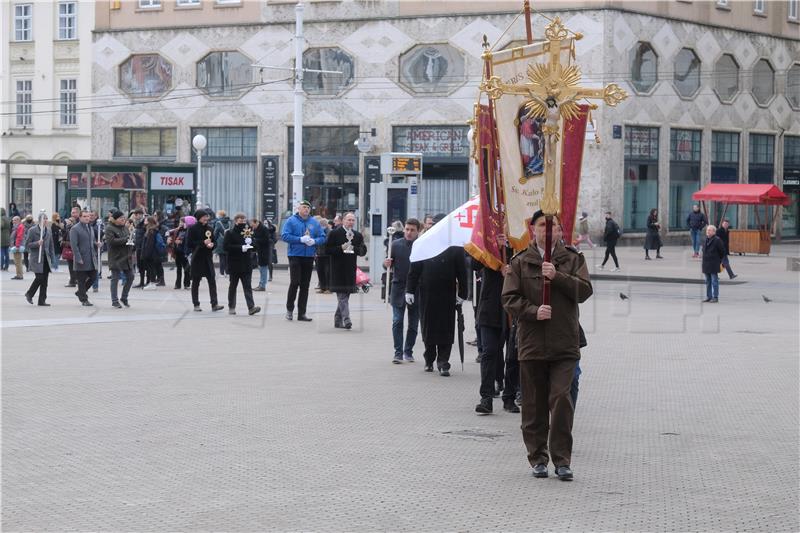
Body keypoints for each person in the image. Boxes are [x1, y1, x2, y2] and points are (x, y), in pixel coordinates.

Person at [501, 210, 593, 481]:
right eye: (543, 225)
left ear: (562, 231)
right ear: (533, 229)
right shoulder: (521, 261)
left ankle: (562, 459)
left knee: (562, 399)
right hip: (532, 344)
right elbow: (509, 298)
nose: (548, 231)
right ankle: (538, 457)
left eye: (554, 226)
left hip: (565, 343)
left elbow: (585, 291)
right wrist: (531, 311)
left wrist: (559, 277)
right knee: (534, 404)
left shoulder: (573, 259)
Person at [405, 214, 468, 376]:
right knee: (429, 327)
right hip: (427, 293)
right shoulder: (424, 243)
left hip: (447, 294)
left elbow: (462, 272)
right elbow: (414, 270)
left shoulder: (455, 246)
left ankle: (443, 361)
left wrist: (462, 294)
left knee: (446, 329)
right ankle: (429, 358)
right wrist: (409, 290)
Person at [475, 234, 518, 414]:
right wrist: (494, 248)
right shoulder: (488, 246)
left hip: (513, 310)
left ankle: (509, 396)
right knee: (489, 352)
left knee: (513, 357)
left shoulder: (519, 247)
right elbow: (473, 264)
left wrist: (512, 269)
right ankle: (486, 397)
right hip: (490, 309)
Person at [281, 200, 326, 322]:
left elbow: (322, 237)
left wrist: (314, 241)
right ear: (298, 209)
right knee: (295, 282)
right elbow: (284, 235)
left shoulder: (314, 222)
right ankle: (289, 310)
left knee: (305, 285)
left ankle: (302, 313)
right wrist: (300, 239)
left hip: (309, 256)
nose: (306, 209)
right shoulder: (291, 221)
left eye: (308, 207)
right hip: (295, 254)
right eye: (304, 207)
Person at [384, 218, 421, 363]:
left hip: (416, 289)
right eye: (407, 229)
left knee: (413, 324)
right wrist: (385, 263)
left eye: (412, 230)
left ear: (418, 231)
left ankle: (408, 351)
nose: (409, 232)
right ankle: (398, 352)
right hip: (398, 287)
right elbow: (387, 264)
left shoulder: (421, 245)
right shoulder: (395, 244)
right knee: (397, 320)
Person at [326, 212, 367, 329]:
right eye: (349, 220)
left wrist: (354, 248)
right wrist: (340, 248)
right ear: (343, 220)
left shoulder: (357, 235)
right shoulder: (334, 233)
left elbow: (363, 251)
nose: (351, 222)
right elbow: (327, 250)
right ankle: (346, 318)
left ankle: (337, 319)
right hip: (337, 269)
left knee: (346, 295)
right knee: (342, 295)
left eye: (353, 220)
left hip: (350, 269)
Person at [223, 212, 261, 316]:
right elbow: (226, 247)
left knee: (247, 286)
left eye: (244, 220)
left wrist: (251, 243)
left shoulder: (248, 232)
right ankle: (231, 307)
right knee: (233, 286)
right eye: (240, 220)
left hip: (246, 264)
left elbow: (256, 247)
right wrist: (241, 247)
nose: (243, 222)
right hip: (234, 264)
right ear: (235, 221)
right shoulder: (229, 233)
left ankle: (251, 307)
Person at [187, 210, 224, 312]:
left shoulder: (210, 228)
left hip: (207, 258)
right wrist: (202, 242)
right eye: (204, 216)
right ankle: (196, 304)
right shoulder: (193, 229)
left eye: (206, 216)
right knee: (196, 282)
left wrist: (212, 245)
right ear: (199, 218)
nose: (206, 218)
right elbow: (190, 244)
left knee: (212, 281)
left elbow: (214, 241)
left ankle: (214, 304)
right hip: (197, 258)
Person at [23, 212, 57, 306]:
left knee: (45, 281)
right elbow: (27, 245)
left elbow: (51, 246)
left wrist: (53, 258)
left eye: (46, 219)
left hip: (46, 258)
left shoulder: (48, 230)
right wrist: (37, 243)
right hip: (36, 259)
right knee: (39, 278)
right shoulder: (32, 230)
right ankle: (29, 293)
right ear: (39, 220)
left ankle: (42, 300)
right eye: (43, 219)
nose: (45, 220)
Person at [104, 209, 135, 308]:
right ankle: (114, 300)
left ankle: (124, 297)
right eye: (121, 218)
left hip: (126, 257)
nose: (123, 219)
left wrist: (131, 242)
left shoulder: (125, 228)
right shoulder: (109, 228)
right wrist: (125, 239)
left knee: (131, 276)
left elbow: (128, 239)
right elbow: (111, 241)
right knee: (115, 279)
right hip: (116, 257)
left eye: (124, 218)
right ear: (115, 219)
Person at [69, 210, 99, 306]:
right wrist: (78, 258)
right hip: (81, 258)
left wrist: (96, 244)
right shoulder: (75, 229)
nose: (87, 218)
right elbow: (74, 245)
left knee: (94, 276)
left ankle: (80, 292)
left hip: (91, 258)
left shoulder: (90, 227)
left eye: (88, 216)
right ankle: (84, 299)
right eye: (85, 216)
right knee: (81, 280)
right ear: (80, 217)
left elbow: (92, 241)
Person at [702, 224, 726, 303]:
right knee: (708, 281)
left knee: (714, 281)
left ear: (714, 232)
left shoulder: (717, 240)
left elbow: (722, 252)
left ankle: (715, 297)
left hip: (713, 264)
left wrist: (718, 260)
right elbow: (703, 249)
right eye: (707, 230)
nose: (707, 232)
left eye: (709, 230)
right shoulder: (706, 239)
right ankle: (709, 296)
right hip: (706, 264)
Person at [140, 216, 164, 291]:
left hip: (151, 254)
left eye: (146, 220)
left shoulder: (151, 231)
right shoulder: (151, 230)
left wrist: (146, 254)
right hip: (152, 254)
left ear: (149, 222)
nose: (144, 222)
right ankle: (151, 283)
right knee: (151, 268)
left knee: (151, 269)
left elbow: (149, 245)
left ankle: (152, 283)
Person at [167, 217, 191, 290]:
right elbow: (167, 232)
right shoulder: (177, 230)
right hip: (177, 252)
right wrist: (169, 238)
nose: (181, 224)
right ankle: (178, 284)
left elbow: (188, 241)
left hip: (184, 252)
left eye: (182, 222)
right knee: (178, 269)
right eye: (180, 222)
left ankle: (186, 284)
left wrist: (181, 242)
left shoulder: (189, 231)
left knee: (186, 269)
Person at [250, 218, 272, 291]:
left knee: (263, 268)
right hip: (259, 251)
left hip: (264, 252)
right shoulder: (256, 229)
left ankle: (262, 285)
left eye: (253, 225)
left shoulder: (263, 229)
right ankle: (261, 284)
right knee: (261, 268)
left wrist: (255, 240)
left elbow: (266, 240)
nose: (252, 227)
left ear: (256, 223)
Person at [62, 206, 80, 287]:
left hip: (78, 247)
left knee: (78, 264)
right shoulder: (68, 223)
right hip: (68, 246)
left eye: (74, 212)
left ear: (78, 213)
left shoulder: (80, 222)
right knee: (70, 264)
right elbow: (65, 234)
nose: (72, 214)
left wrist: (71, 225)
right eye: (72, 212)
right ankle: (73, 280)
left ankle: (77, 279)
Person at [314, 216, 332, 294]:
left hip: (327, 255)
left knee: (327, 272)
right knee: (320, 271)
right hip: (319, 254)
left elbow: (326, 241)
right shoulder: (318, 232)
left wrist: (318, 240)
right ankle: (322, 287)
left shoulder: (329, 232)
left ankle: (329, 288)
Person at [213, 210, 232, 277]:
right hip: (229, 241)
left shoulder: (218, 223)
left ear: (220, 215)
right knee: (228, 258)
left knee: (222, 258)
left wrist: (214, 241)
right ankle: (228, 272)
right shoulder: (230, 222)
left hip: (221, 242)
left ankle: (222, 273)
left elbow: (215, 233)